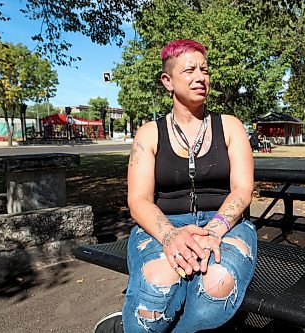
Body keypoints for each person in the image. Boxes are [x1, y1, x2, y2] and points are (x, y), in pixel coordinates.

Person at [97, 39, 258, 333]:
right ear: (167, 81)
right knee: (157, 287)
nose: (200, 77)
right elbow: (139, 199)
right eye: (189, 71)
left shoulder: (231, 126)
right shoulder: (148, 134)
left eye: (205, 70)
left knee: (216, 285)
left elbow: (242, 190)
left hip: (226, 224)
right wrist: (170, 236)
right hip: (164, 225)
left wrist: (213, 231)